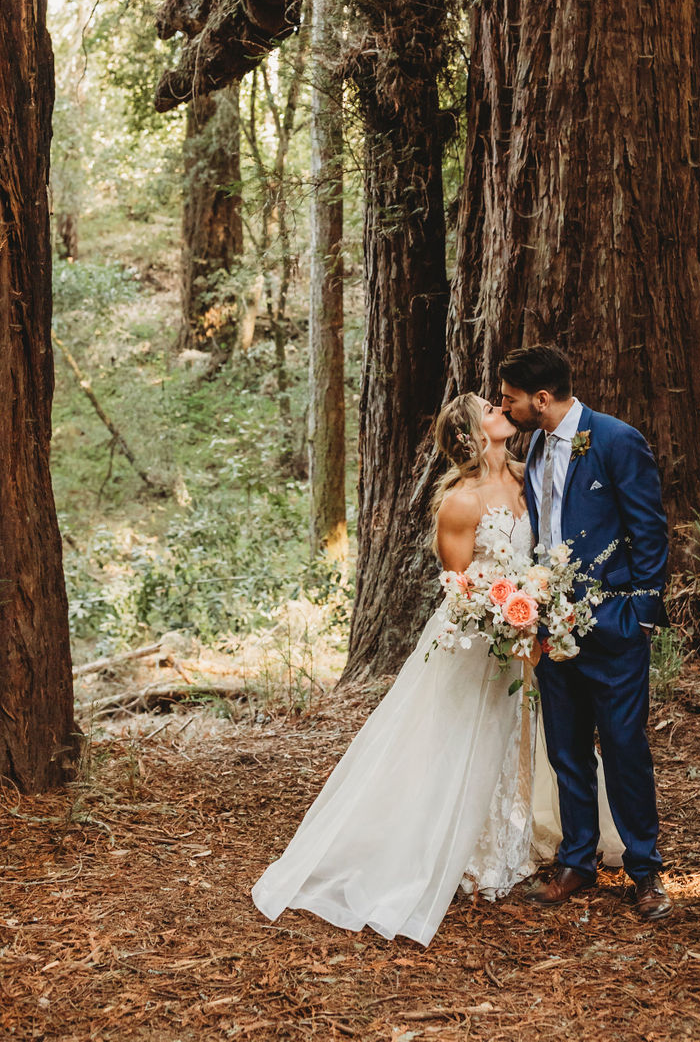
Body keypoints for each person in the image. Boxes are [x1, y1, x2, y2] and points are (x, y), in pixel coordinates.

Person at [251, 393, 538, 946]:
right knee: (459, 738)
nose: (500, 409)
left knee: (521, 732)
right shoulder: (460, 502)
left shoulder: (531, 478)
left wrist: (536, 608)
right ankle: (455, 848)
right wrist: (503, 615)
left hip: (526, 635)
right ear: (472, 434)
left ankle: (518, 837)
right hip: (478, 640)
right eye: (488, 408)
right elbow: (459, 589)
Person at [498, 343, 673, 921]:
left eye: (512, 399)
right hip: (551, 626)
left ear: (541, 399)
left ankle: (645, 872)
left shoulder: (617, 440)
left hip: (614, 624)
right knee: (567, 749)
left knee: (624, 748)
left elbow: (649, 529)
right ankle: (578, 860)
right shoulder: (537, 447)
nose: (508, 408)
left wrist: (642, 614)